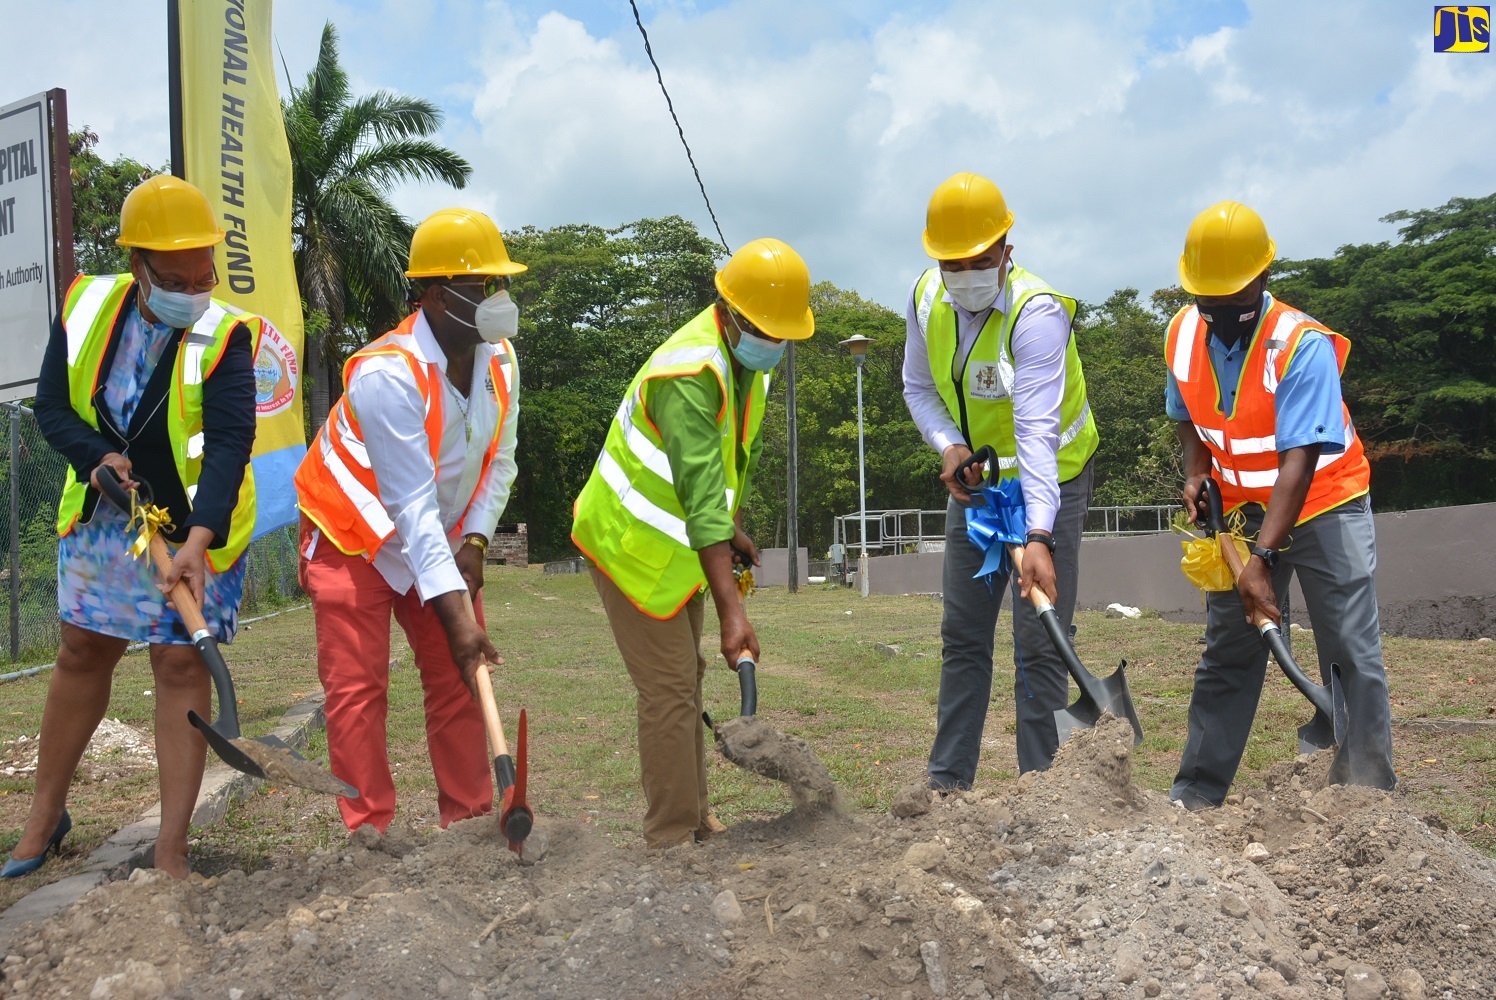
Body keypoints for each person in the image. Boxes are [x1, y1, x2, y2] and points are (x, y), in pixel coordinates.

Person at [6, 176, 259, 880]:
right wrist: (97, 460)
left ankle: (173, 847)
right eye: (174, 277)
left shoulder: (228, 334)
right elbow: (53, 408)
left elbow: (232, 444)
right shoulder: (86, 305)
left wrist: (199, 541)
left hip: (194, 524)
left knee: (180, 662)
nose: (193, 287)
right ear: (138, 265)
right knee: (83, 653)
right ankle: (43, 817)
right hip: (106, 517)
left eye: (203, 271)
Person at [571, 239, 814, 848]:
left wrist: (729, 529)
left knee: (686, 679)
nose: (772, 341)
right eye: (762, 328)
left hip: (680, 550)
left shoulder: (742, 365)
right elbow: (700, 493)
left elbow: (709, 470)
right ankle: (671, 838)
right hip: (632, 549)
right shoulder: (689, 372)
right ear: (726, 309)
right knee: (669, 691)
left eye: (781, 333)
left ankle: (696, 817)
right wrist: (735, 611)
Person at [294, 208, 523, 833]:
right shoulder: (386, 373)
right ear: (434, 295)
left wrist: (475, 539)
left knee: (457, 676)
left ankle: (472, 820)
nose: (496, 300)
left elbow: (500, 461)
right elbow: (410, 505)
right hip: (353, 530)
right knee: (357, 689)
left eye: (499, 285)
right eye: (482, 288)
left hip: (435, 533)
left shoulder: (500, 361)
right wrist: (456, 614)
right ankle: (370, 829)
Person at [1166, 201, 1396, 808]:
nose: (1216, 314)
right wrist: (1197, 471)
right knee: (1229, 650)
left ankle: (1365, 802)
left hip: (1324, 502)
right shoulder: (1183, 332)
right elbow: (1187, 414)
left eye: (1230, 299)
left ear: (1264, 278)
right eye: (1206, 301)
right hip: (1240, 506)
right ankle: (1196, 793)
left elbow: (1300, 459)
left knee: (1348, 647)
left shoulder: (1302, 345)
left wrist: (1261, 560)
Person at [903, 172, 1099, 787]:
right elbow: (918, 388)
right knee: (963, 636)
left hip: (1054, 484)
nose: (965, 274)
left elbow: (1037, 432)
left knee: (1040, 642)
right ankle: (947, 782)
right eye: (951, 262)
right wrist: (950, 445)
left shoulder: (1036, 313)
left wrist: (1037, 534)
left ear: (1006, 251)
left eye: (980, 260)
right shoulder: (925, 299)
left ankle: (1039, 790)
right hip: (979, 488)